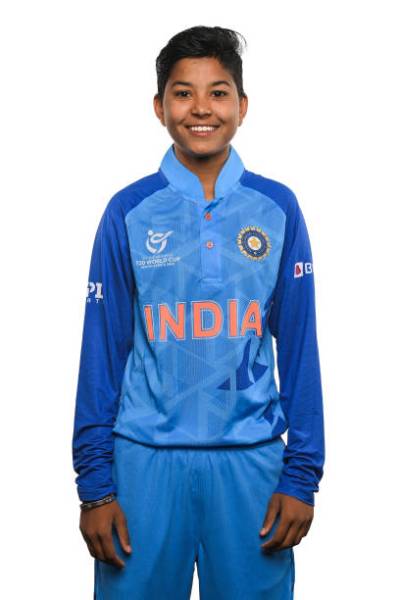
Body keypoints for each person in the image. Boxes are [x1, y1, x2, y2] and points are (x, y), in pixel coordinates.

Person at [72, 25, 325, 600]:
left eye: (218, 92)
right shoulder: (129, 211)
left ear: (242, 106)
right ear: (159, 107)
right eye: (184, 93)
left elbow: (300, 347)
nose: (201, 108)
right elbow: (101, 353)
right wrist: (95, 486)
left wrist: (302, 475)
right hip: (143, 465)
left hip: (252, 467)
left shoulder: (278, 208)